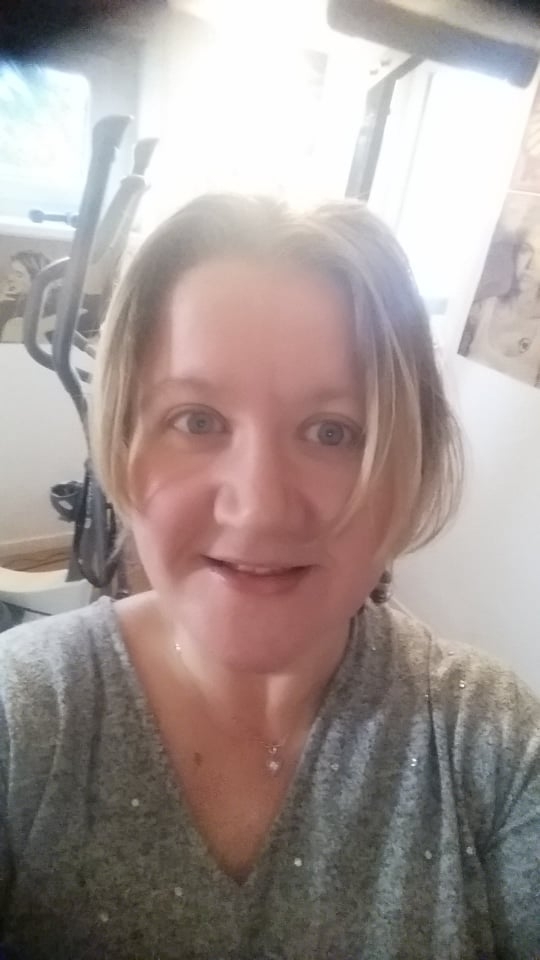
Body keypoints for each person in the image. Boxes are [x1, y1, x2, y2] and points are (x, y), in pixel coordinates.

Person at [0, 194, 538, 959]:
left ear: (408, 468)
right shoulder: (23, 718)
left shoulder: (490, 746)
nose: (258, 507)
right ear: (122, 443)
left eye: (332, 432)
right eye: (197, 420)